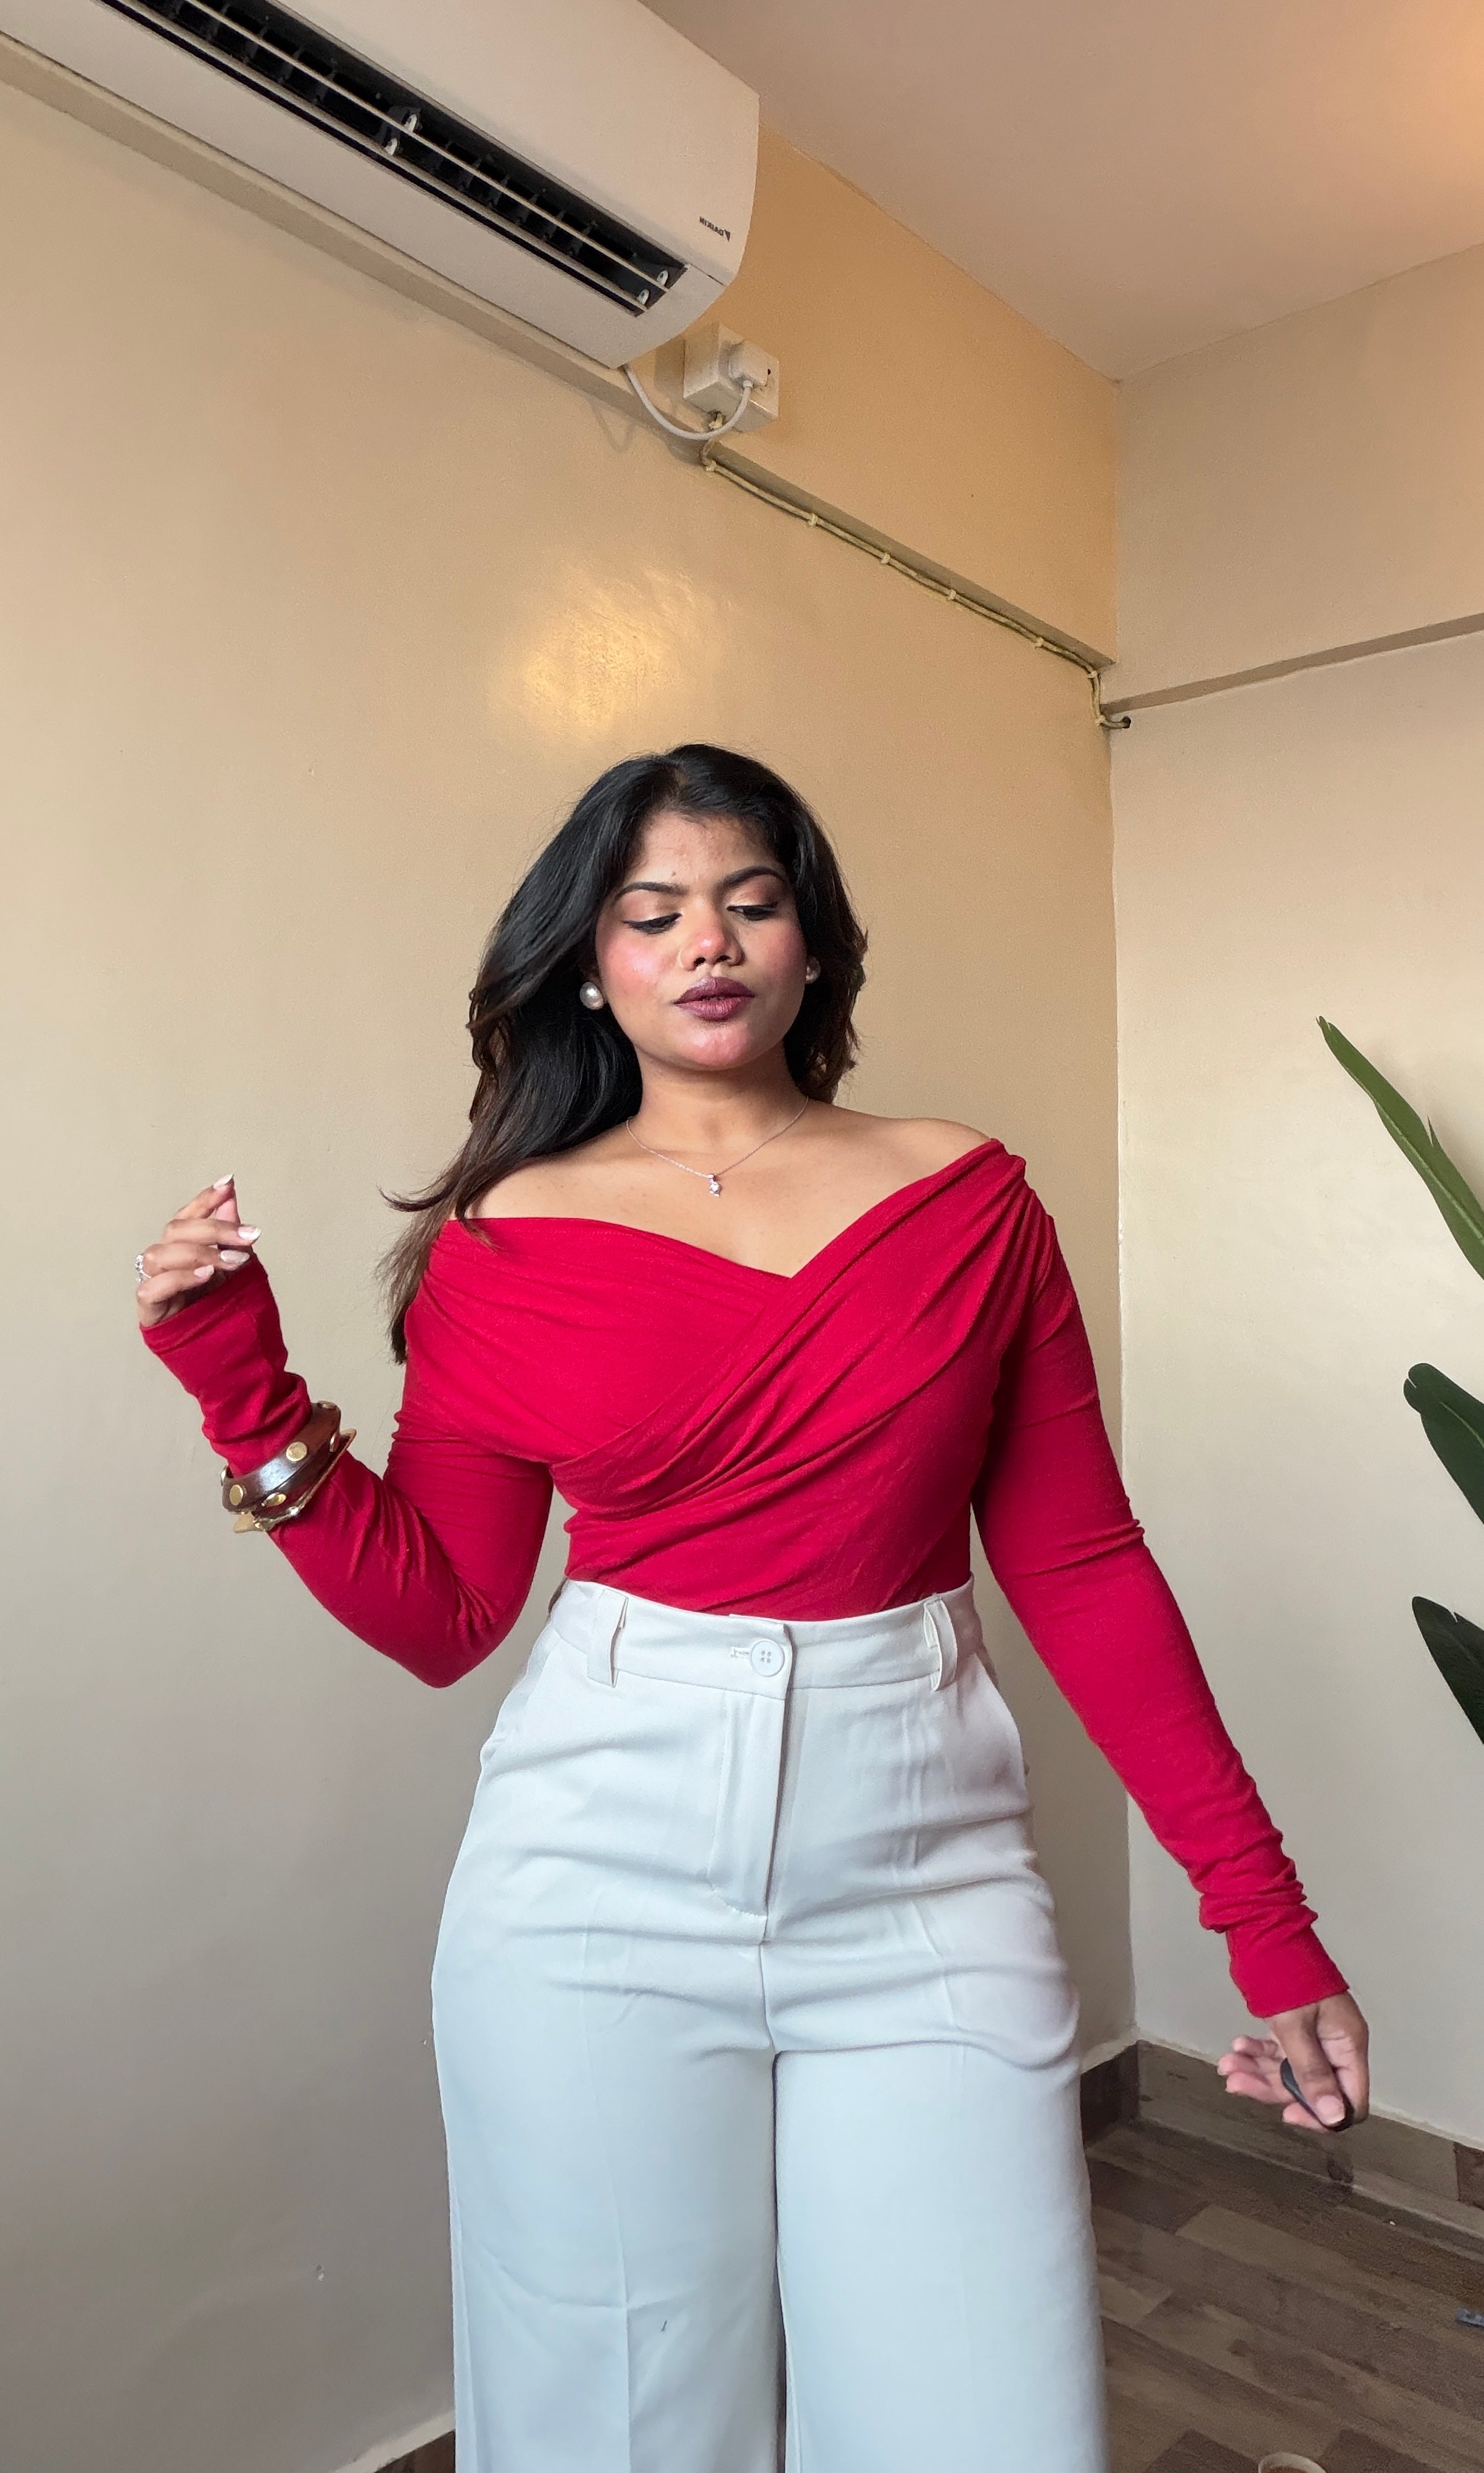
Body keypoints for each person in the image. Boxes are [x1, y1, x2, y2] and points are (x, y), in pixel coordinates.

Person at [136, 744, 1368, 2473]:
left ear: (810, 945)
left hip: (928, 1870)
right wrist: (245, 1395)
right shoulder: (503, 1245)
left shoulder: (968, 1201)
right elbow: (444, 1614)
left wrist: (1267, 1919)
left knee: (989, 2426)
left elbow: (1083, 1567)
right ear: (591, 962)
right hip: (595, 1878)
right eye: (652, 914)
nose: (706, 942)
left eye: (750, 901)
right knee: (616, 2432)